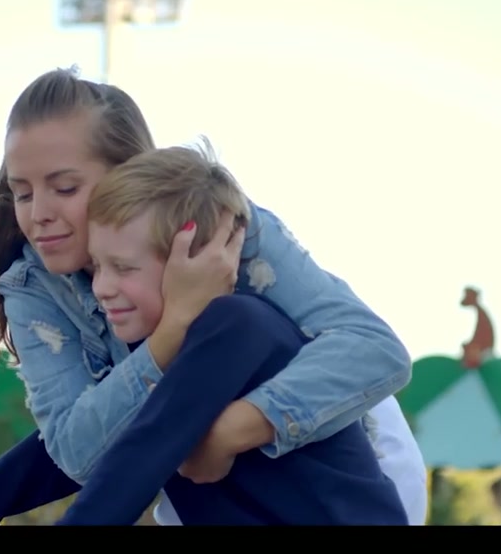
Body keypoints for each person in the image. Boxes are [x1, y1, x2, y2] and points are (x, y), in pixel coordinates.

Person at [0, 67, 425, 526]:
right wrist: (173, 332)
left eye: (65, 188)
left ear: (128, 174)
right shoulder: (34, 287)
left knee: (230, 332)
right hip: (207, 486)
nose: (39, 215)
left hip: (343, 460)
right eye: (23, 192)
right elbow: (83, 446)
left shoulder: (223, 232)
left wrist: (225, 431)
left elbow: (376, 350)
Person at [50, 143, 406, 524]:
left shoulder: (238, 324)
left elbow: (137, 460)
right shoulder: (164, 354)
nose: (101, 288)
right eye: (97, 266)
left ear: (192, 256)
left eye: (123, 267)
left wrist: (227, 433)